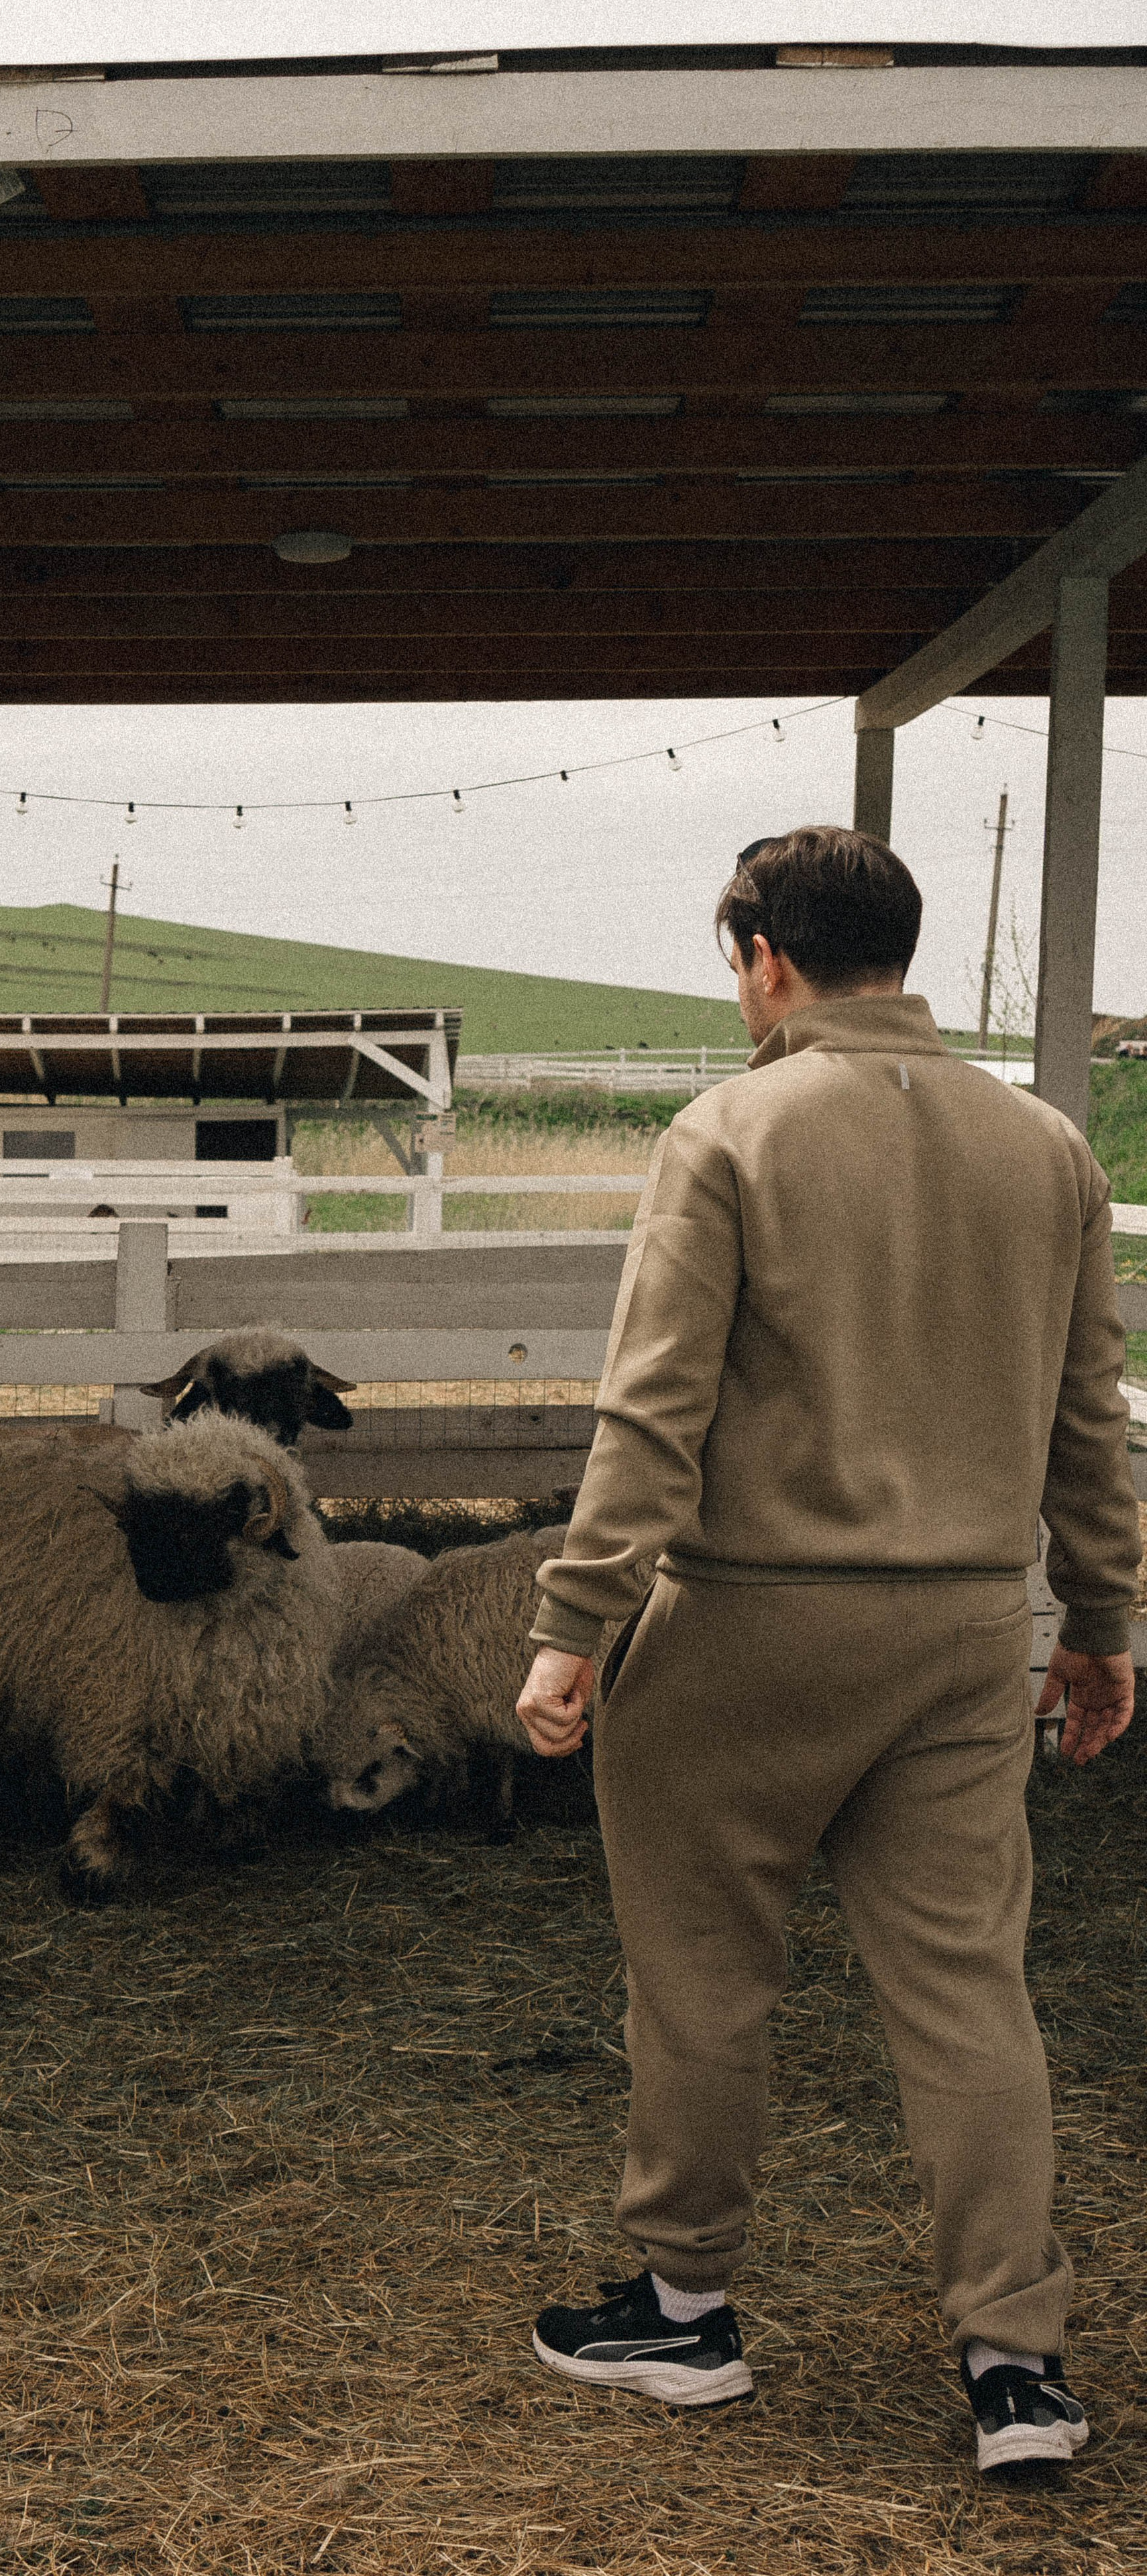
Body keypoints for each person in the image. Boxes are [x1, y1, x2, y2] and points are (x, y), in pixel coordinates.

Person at [515, 825, 1139, 2476]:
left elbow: (653, 1410)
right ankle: (1016, 2365)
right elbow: (1089, 1422)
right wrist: (1100, 1618)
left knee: (705, 1973)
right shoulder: (1045, 1150)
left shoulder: (728, 1132)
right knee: (963, 1993)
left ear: (760, 956)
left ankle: (682, 2308)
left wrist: (574, 1624)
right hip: (958, 1635)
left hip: (747, 1625)